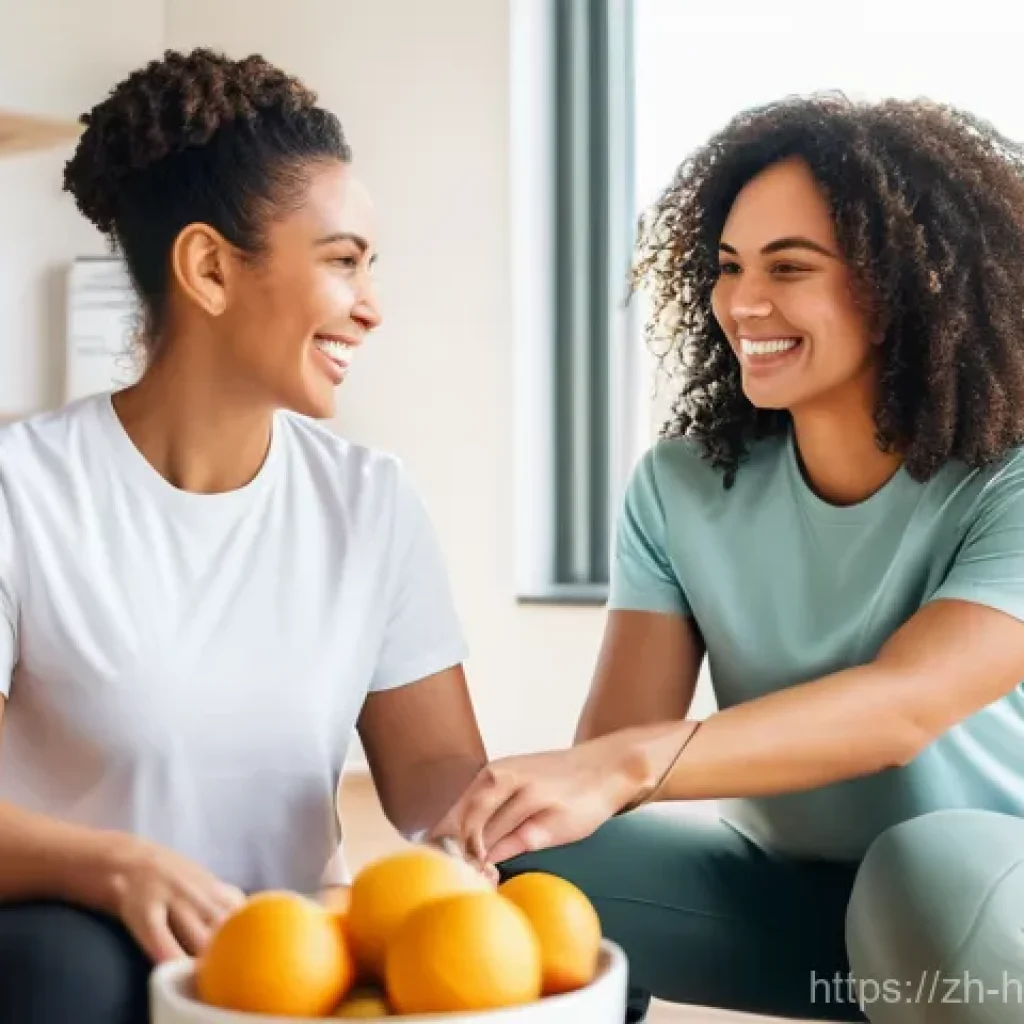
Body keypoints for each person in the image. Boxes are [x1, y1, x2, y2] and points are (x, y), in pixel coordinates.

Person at [436, 95, 1024, 1024]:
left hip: (982, 912)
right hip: (790, 916)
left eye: (790, 267)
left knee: (924, 873)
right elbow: (612, 757)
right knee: (528, 860)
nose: (743, 303)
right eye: (728, 267)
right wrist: (533, 800)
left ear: (914, 283)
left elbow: (904, 707)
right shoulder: (682, 487)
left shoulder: (1010, 484)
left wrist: (622, 767)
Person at [0, 48, 489, 1024]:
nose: (372, 305)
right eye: (342, 262)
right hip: (75, 949)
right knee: (63, 978)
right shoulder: (23, 488)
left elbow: (437, 777)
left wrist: (501, 823)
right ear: (210, 269)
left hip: (283, 963)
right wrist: (115, 867)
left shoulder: (371, 500)